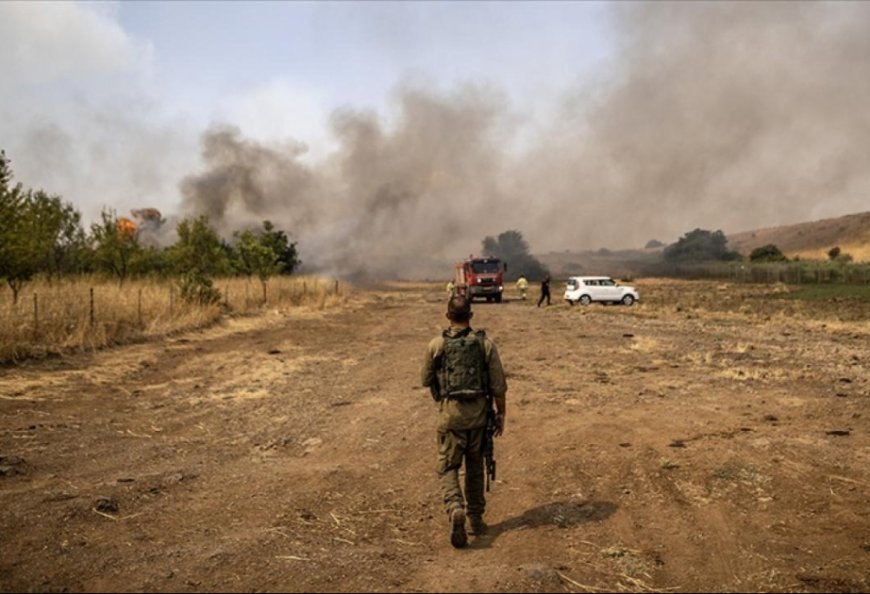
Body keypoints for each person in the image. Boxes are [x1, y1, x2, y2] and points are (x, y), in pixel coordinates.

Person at [420, 295, 507, 548]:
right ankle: (476, 520)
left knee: (448, 467)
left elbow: (425, 379)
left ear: (448, 316)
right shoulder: (485, 345)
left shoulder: (436, 345)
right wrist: (501, 414)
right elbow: (499, 386)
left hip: (450, 417)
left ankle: (455, 506)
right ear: (470, 316)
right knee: (476, 468)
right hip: (479, 419)